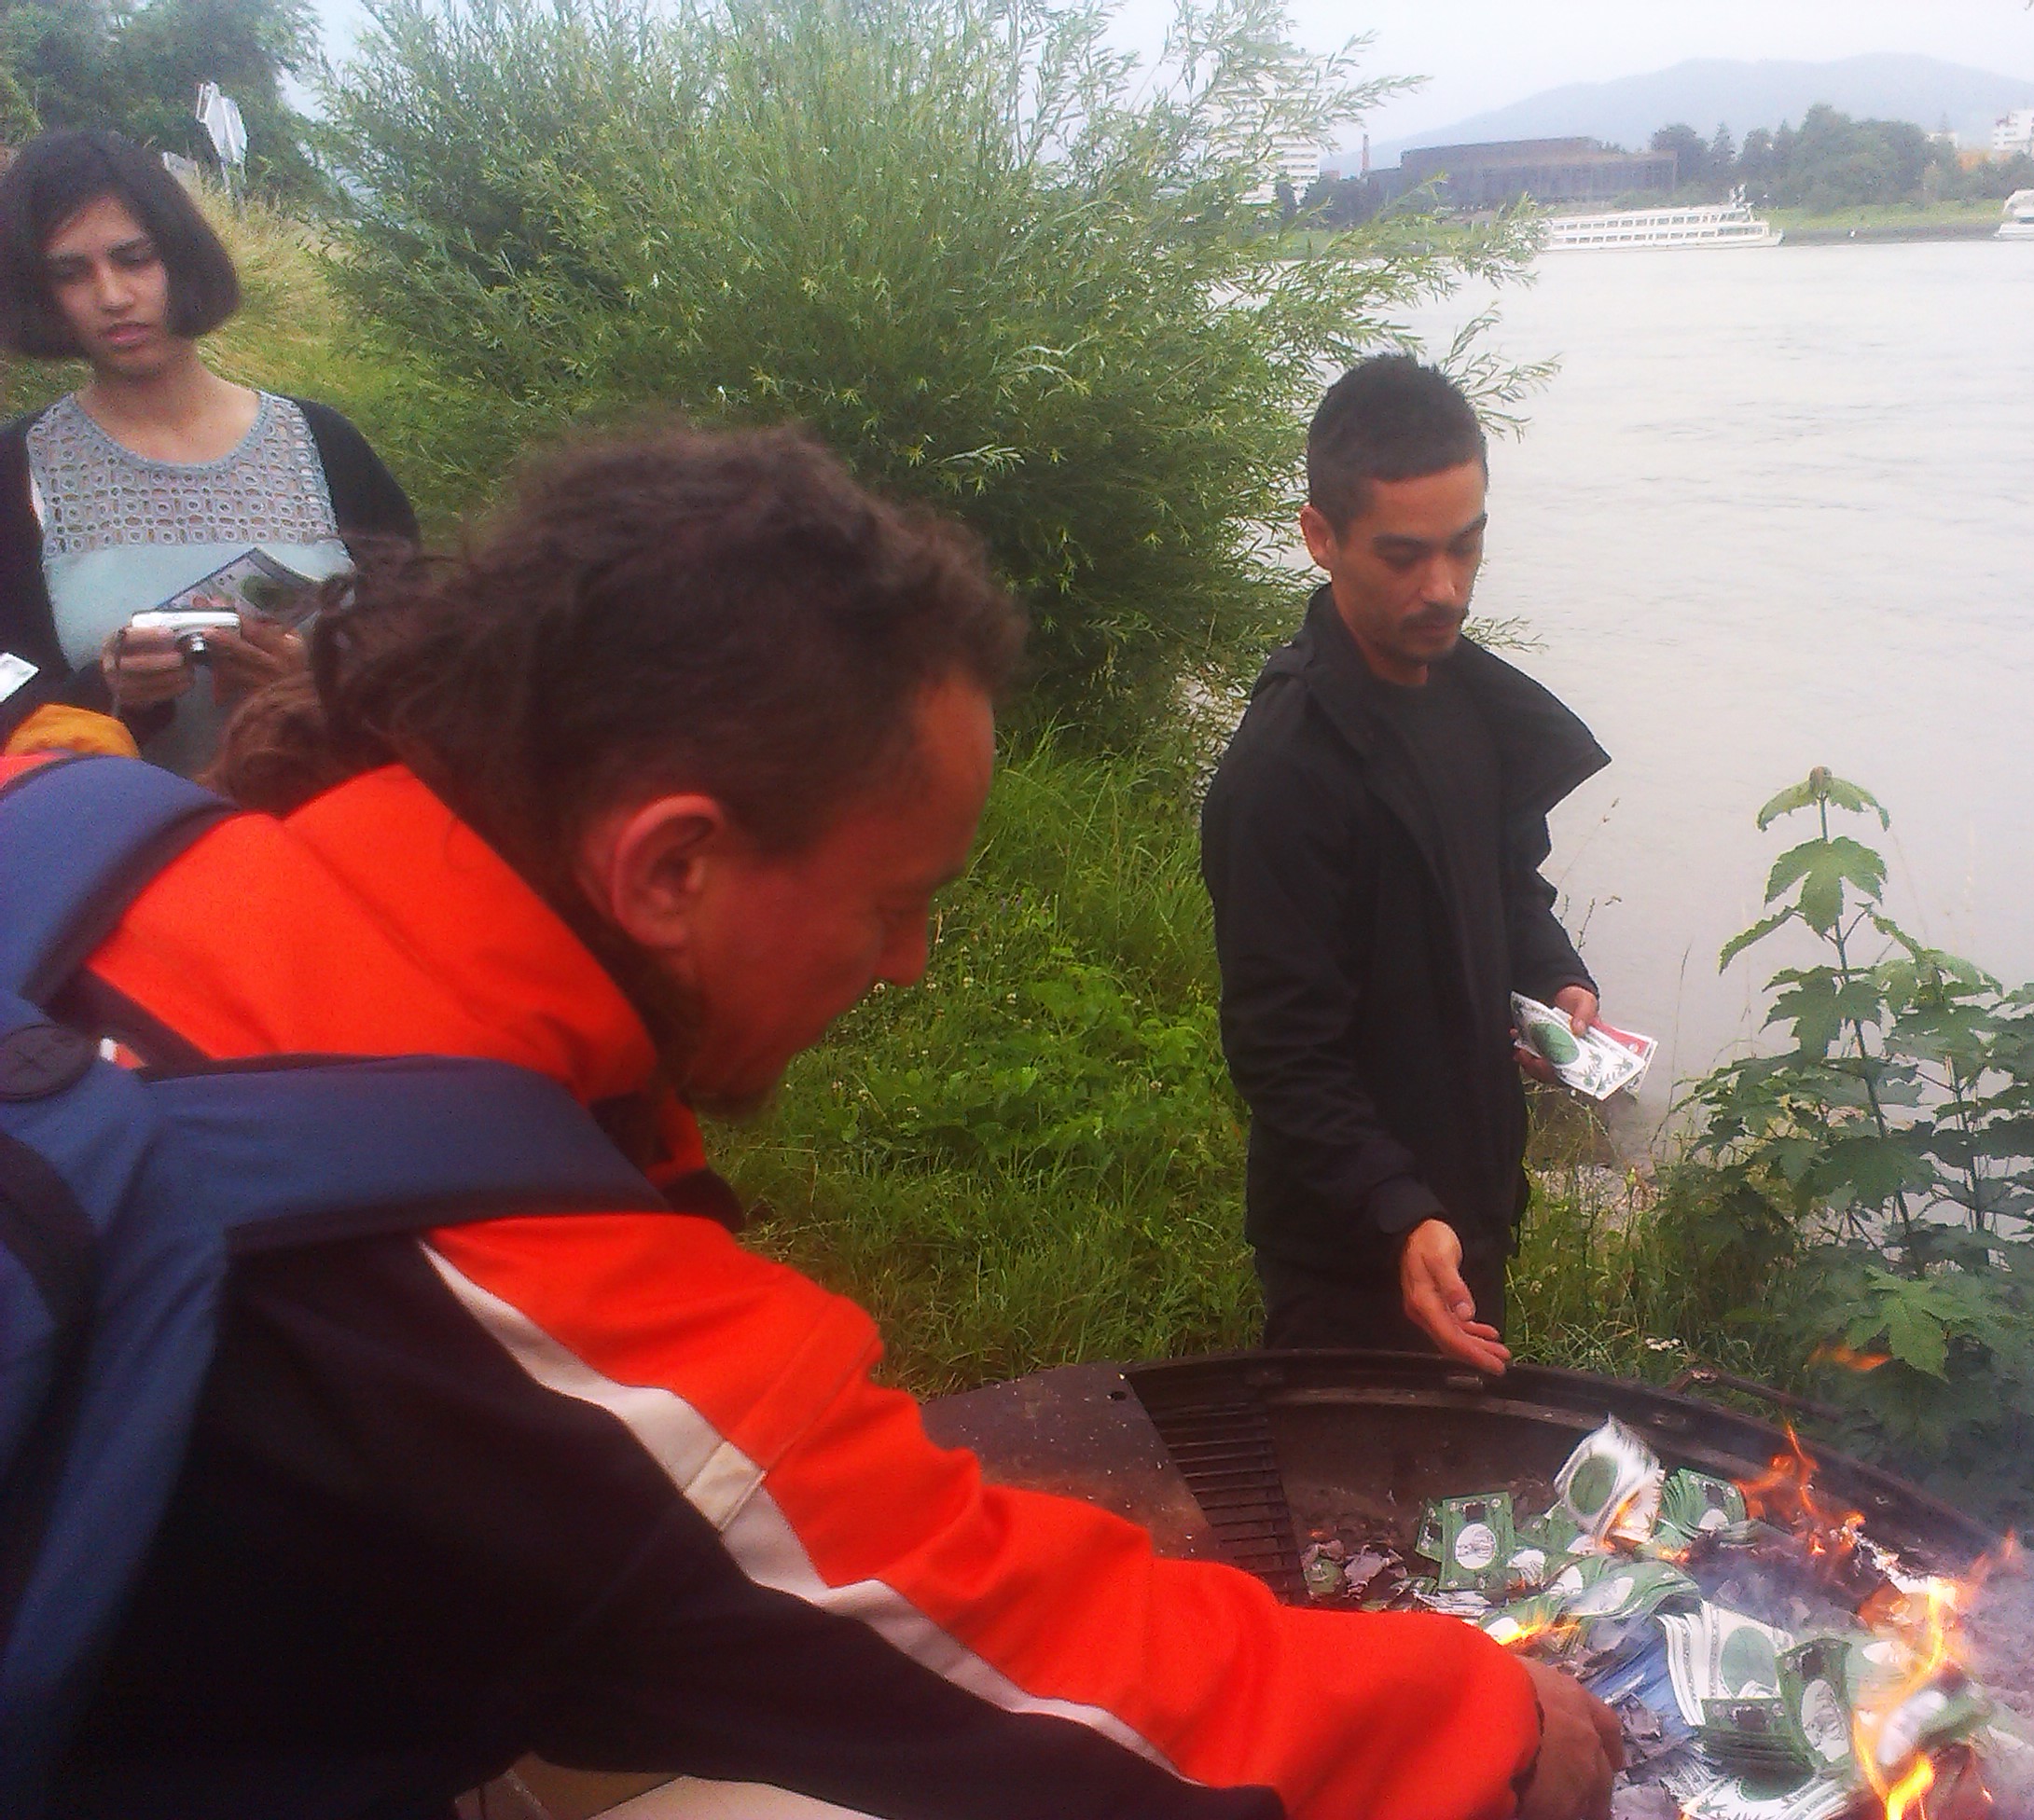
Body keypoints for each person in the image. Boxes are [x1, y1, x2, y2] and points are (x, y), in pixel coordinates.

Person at [7, 425, 1620, 1819]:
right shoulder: (511, 1286)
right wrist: (1485, 1717)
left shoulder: (82, 814)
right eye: (894, 901)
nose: (911, 962)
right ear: (668, 866)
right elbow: (1011, 1647)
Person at [1200, 356, 1610, 1376]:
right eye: (1404, 555)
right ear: (1319, 536)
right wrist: (1399, 1212)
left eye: (1466, 548)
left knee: (1467, 1512)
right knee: (1354, 1531)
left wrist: (1555, 972)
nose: (1445, 589)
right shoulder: (1283, 773)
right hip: (1351, 1252)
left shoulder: (1460, 695)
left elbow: (1504, 876)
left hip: (1466, 1205)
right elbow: (1280, 1050)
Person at [0, 129, 417, 776]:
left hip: (321, 845)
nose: (112, 295)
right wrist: (105, 692)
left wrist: (316, 680)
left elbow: (430, 663)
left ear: (182, 257)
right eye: (71, 273)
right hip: (123, 859)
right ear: (39, 293)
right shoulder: (16, 469)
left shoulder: (325, 445)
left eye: (134, 258)